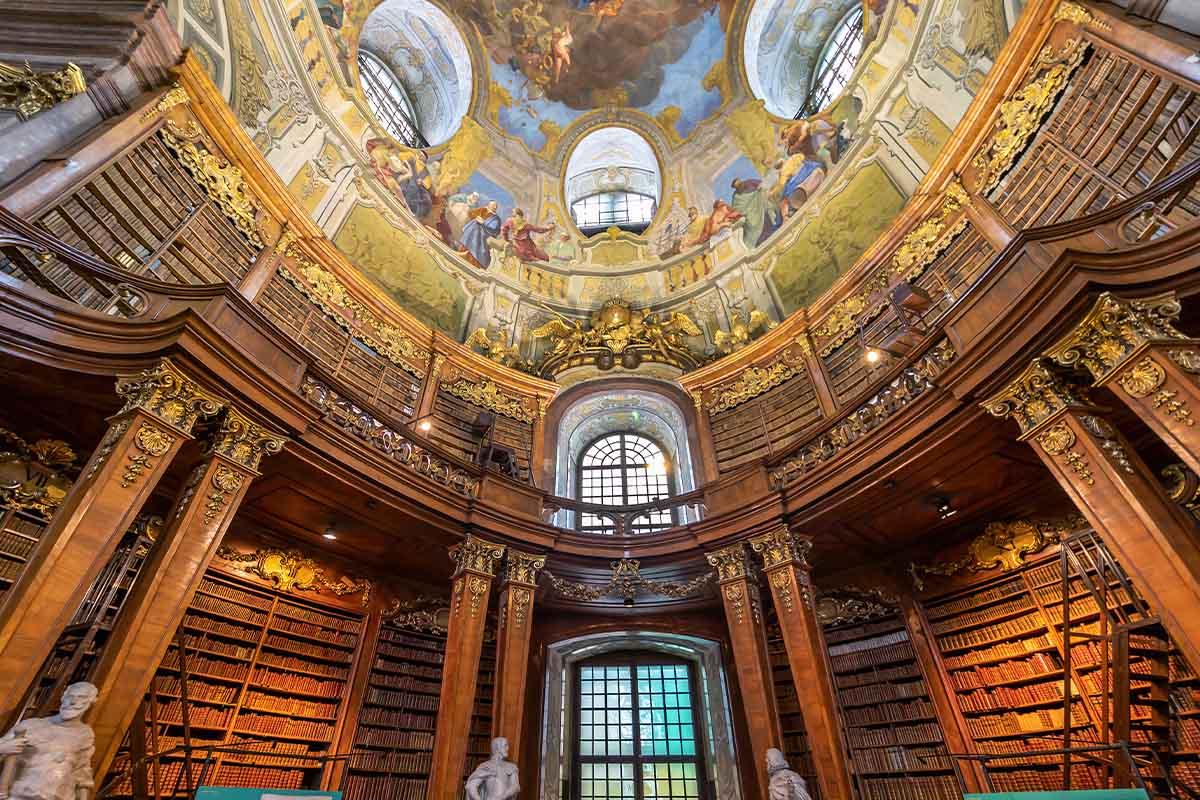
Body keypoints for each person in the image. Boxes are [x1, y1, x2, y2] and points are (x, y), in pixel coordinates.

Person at [0, 682, 98, 800]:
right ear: (62, 698)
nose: (72, 702)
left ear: (91, 702)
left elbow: (82, 774)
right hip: (21, 796)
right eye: (70, 696)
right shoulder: (31, 725)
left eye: (81, 697)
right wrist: (3, 748)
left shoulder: (85, 734)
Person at [729, 177, 779, 248]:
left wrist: (759, 191)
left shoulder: (750, 182)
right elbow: (737, 209)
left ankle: (773, 231)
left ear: (741, 182)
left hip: (760, 206)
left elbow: (762, 185)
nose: (740, 187)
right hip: (749, 215)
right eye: (738, 187)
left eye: (740, 184)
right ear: (736, 188)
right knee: (751, 224)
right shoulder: (736, 197)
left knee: (767, 210)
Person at [460, 200, 503, 268]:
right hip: (474, 229)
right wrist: (476, 218)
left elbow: (494, 229)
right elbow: (471, 214)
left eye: (495, 206)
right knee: (473, 229)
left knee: (476, 232)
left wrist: (483, 222)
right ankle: (466, 253)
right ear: (488, 205)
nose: (494, 207)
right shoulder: (483, 209)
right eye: (493, 205)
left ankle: (473, 260)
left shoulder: (496, 218)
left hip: (485, 234)